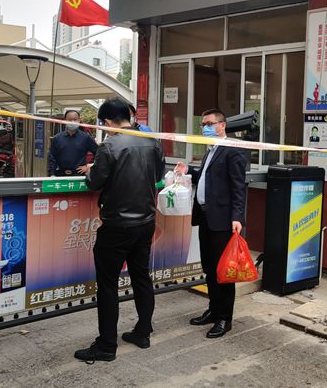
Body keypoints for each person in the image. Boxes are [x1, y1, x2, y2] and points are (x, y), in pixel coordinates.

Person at [74, 97, 166, 362]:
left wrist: (90, 171)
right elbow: (159, 175)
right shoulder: (151, 141)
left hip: (116, 225)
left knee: (107, 285)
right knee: (141, 278)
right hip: (146, 222)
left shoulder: (110, 145)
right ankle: (143, 332)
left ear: (107, 122)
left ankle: (106, 346)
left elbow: (95, 181)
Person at [174, 108, 248, 339]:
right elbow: (207, 179)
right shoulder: (211, 150)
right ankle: (213, 310)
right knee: (209, 267)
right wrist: (188, 171)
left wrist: (237, 217)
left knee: (223, 271)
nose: (205, 127)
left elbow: (239, 186)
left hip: (223, 220)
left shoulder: (232, 149)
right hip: (206, 217)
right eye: (203, 124)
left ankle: (225, 318)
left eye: (209, 123)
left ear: (222, 125)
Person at [47, 110, 98, 176]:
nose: (72, 122)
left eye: (75, 119)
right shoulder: (57, 138)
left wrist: (88, 166)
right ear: (65, 121)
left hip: (78, 176)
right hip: (60, 175)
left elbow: (99, 153)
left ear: (79, 120)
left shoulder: (86, 138)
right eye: (69, 120)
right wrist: (52, 174)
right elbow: (52, 157)